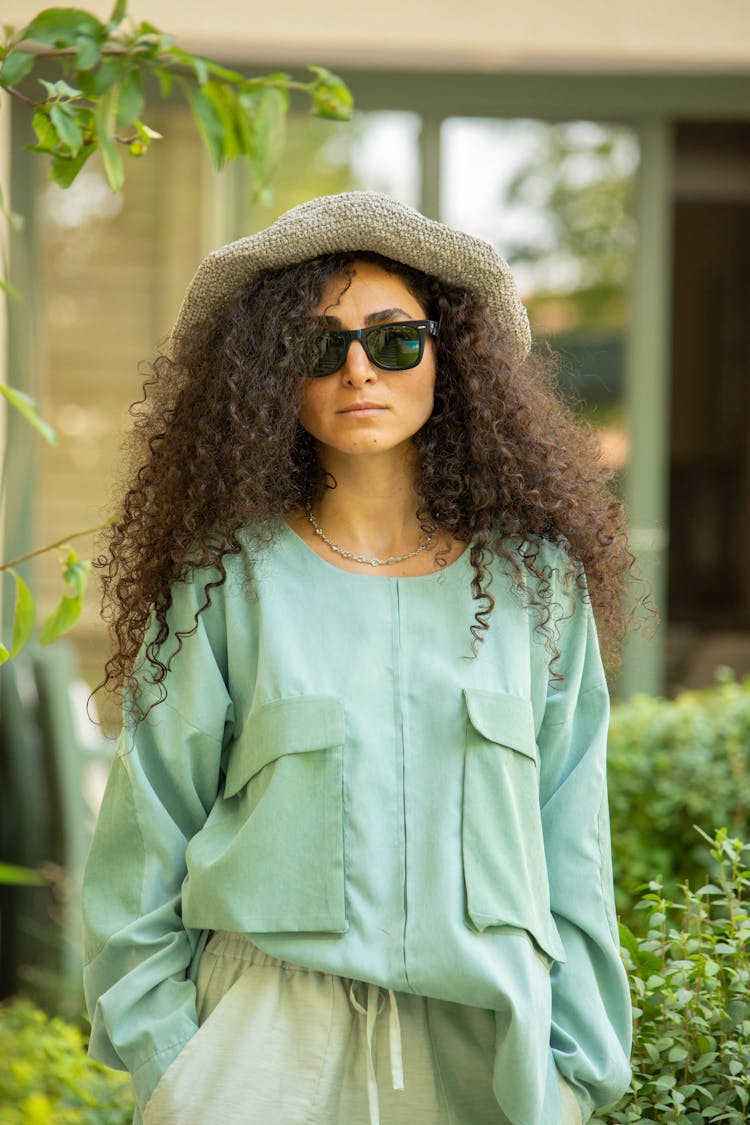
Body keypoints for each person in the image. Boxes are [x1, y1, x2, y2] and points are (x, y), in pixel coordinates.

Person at [82, 191, 634, 1125]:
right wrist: (179, 1070)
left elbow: (572, 837)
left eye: (393, 340)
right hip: (257, 1058)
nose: (356, 370)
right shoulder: (224, 582)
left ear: (449, 355)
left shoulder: (537, 584)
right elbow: (142, 846)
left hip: (490, 1061)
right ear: (270, 376)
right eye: (313, 345)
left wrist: (576, 1071)